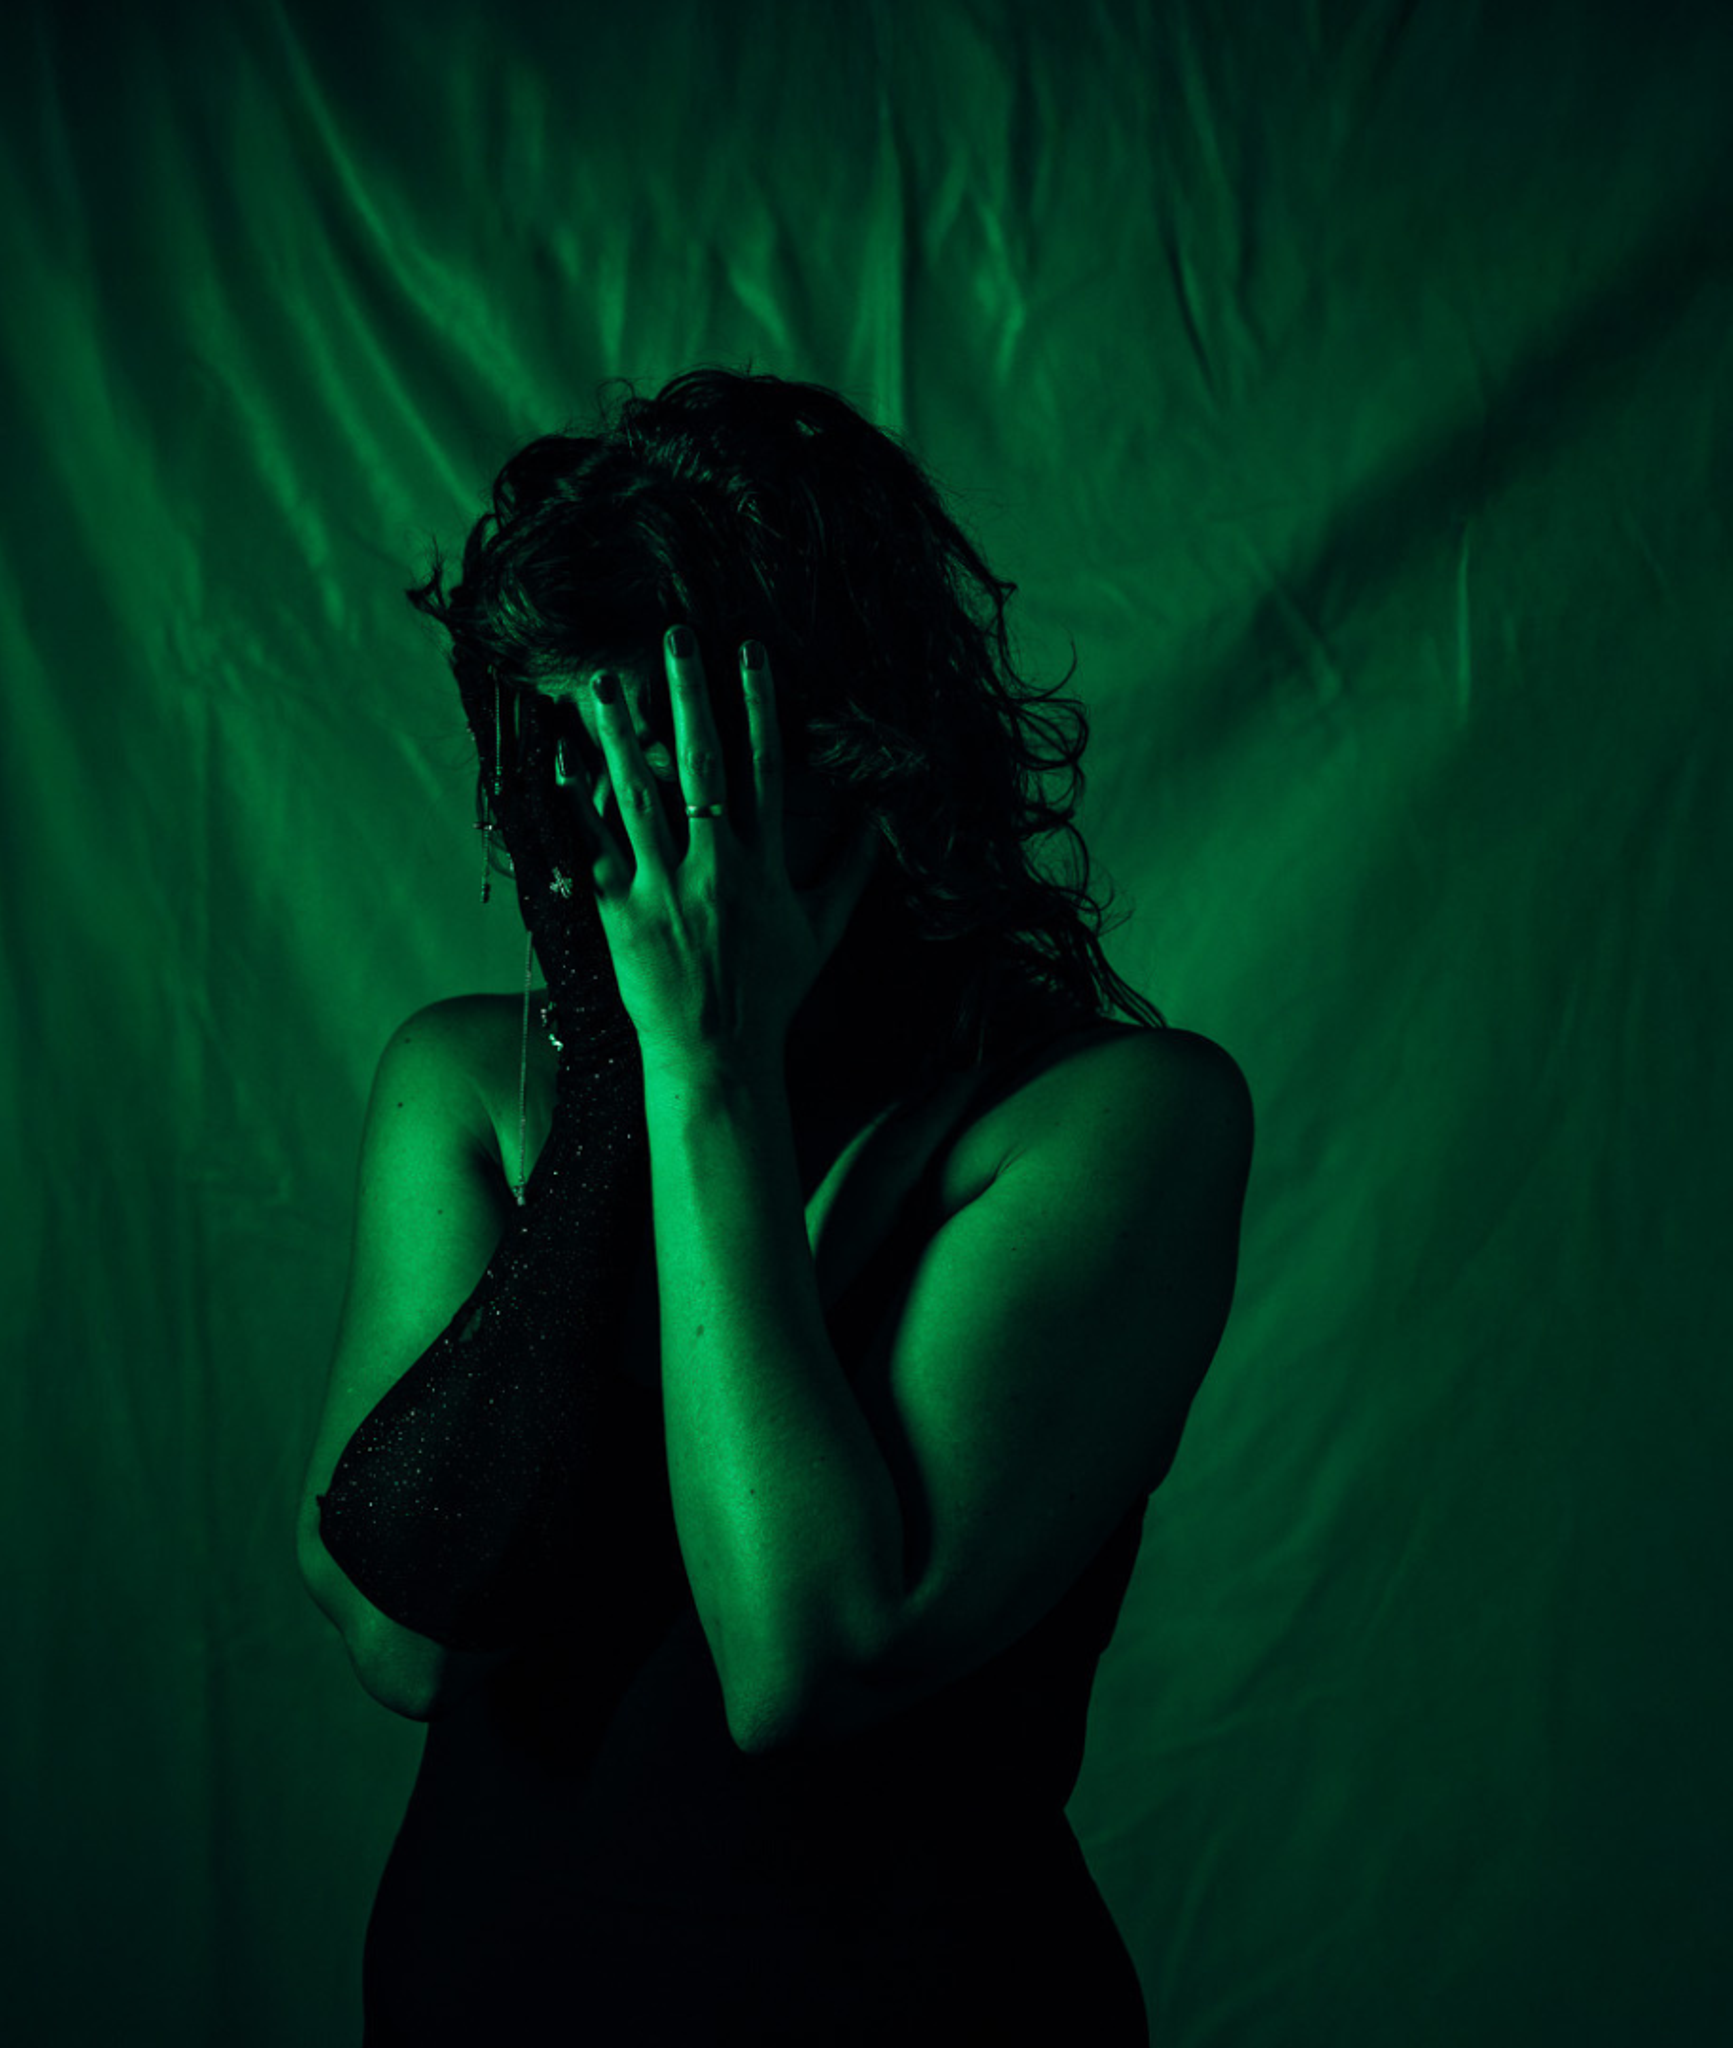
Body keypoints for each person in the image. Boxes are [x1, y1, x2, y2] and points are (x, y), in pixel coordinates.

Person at [296, 367, 1254, 2042]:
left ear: (842, 749)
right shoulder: (469, 1087)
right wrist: (619, 1071)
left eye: (662, 754)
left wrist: (713, 1078)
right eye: (561, 761)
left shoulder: (1108, 1122)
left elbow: (805, 1654)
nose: (607, 833)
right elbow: (404, 1640)